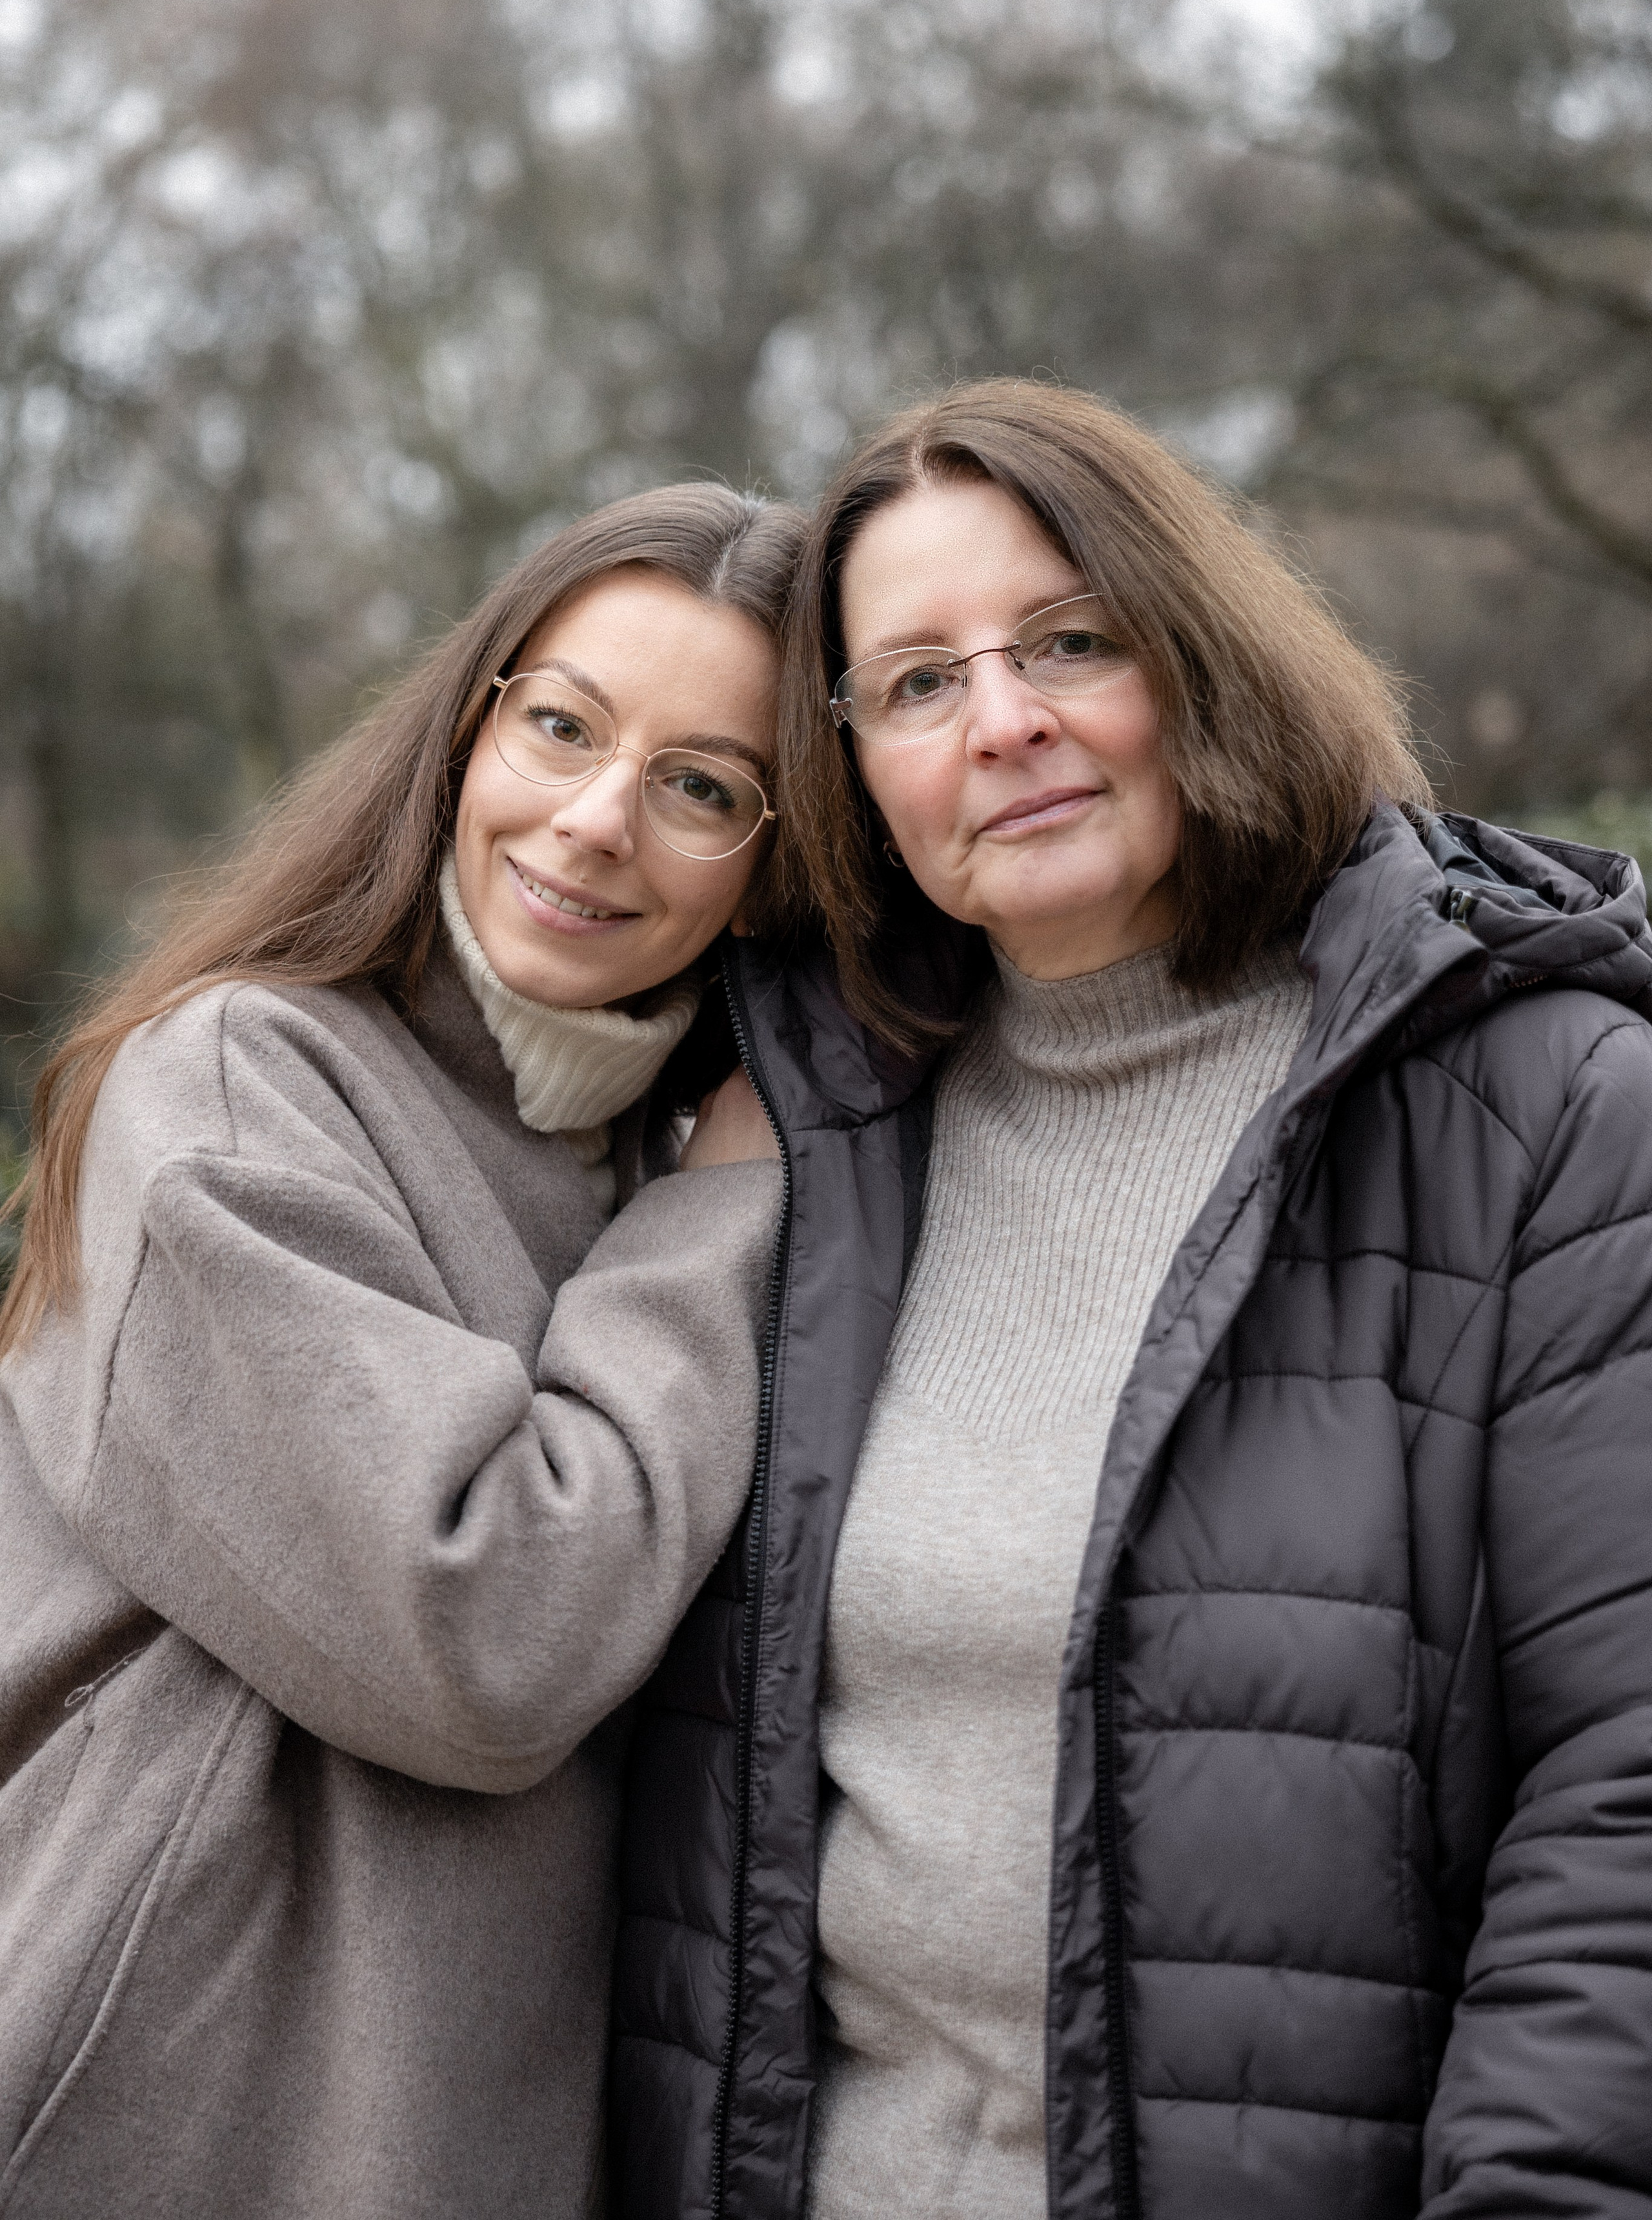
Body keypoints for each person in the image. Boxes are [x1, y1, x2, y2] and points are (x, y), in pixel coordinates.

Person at [609, 383, 1652, 2220]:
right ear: (852, 765)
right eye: (918, 683)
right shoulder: (794, 1129)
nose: (1004, 724)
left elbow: (1621, 1787)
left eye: (1067, 642)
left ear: (1196, 652)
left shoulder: (1546, 1108)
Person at [0, 484, 789, 2220]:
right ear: (470, 723)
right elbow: (485, 1631)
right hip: (166, 2126)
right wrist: (712, 1234)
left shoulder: (652, 1155)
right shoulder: (240, 1086)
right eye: (565, 725)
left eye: (703, 788)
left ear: (774, 870)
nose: (596, 822)